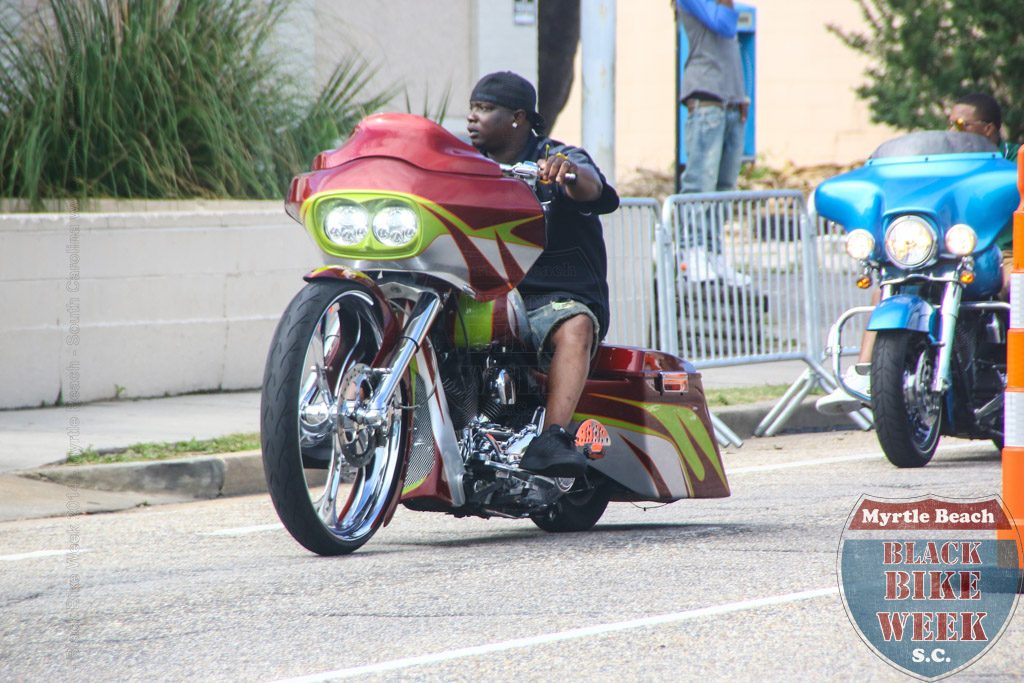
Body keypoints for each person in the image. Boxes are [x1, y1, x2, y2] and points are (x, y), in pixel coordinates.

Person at [816, 92, 1019, 415]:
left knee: (1015, 285)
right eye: (949, 122)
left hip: (1006, 251)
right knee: (890, 276)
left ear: (990, 130)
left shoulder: (1012, 160)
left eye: (962, 124)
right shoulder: (945, 161)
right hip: (944, 246)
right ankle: (866, 373)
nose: (952, 130)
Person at [466, 71, 620, 478]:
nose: (472, 118)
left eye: (484, 109)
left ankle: (553, 437)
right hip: (480, 292)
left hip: (549, 296)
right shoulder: (463, 164)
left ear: (517, 117)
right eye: (472, 108)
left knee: (576, 324)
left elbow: (593, 188)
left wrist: (567, 172)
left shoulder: (557, 156)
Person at [674, 0, 750, 284]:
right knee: (700, 183)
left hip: (732, 104)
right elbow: (724, 23)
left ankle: (714, 255)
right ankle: (692, 253)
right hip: (707, 102)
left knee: (724, 188)